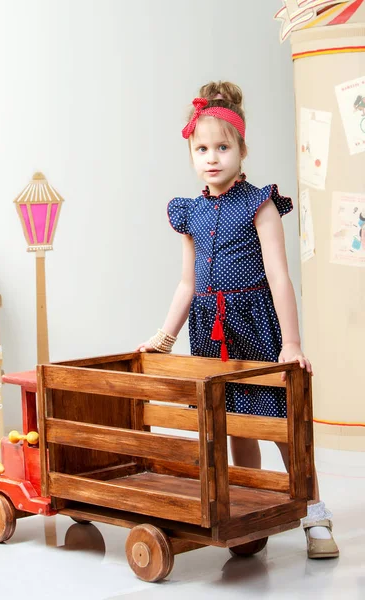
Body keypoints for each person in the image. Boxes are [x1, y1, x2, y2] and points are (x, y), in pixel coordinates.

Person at [136, 81, 339, 559]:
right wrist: (165, 337)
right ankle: (250, 510)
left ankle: (312, 511)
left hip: (256, 326)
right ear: (190, 153)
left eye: (222, 147)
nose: (212, 157)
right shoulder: (188, 213)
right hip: (211, 332)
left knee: (282, 423)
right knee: (235, 425)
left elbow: (279, 277)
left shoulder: (259, 203)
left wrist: (292, 343)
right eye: (202, 148)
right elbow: (187, 284)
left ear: (241, 150)